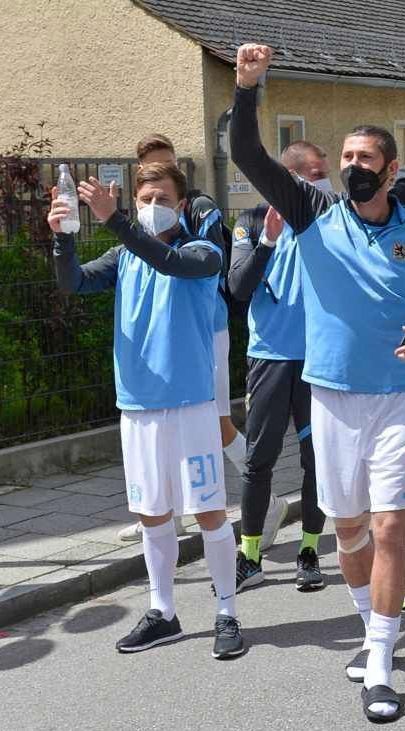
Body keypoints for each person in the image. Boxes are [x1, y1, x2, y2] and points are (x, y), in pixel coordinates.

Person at [231, 43, 405, 722]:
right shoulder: (309, 213)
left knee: (391, 530)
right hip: (330, 399)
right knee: (350, 532)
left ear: (391, 170)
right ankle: (369, 626)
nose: (354, 168)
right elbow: (247, 153)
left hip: (398, 400)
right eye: (347, 159)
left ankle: (381, 665)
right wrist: (249, 87)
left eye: (365, 160)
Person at [50, 162, 247, 660]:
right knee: (153, 514)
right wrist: (64, 237)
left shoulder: (203, 251)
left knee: (207, 512)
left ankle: (227, 611)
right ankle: (163, 612)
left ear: (182, 205)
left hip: (191, 406)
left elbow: (170, 263)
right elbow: (72, 283)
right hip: (137, 408)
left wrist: (117, 220)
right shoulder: (124, 255)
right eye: (145, 199)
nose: (152, 206)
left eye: (162, 197)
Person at [115, 135, 243, 544]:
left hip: (206, 327)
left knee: (217, 421)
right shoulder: (129, 245)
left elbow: (191, 261)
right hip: (163, 332)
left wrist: (118, 223)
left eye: (165, 167)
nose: (155, 203)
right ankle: (160, 509)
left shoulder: (200, 210)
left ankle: (263, 494)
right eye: (146, 178)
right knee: (177, 426)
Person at [225, 139, 330, 592]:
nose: (325, 180)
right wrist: (268, 240)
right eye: (317, 172)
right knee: (258, 460)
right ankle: (249, 556)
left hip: (318, 360)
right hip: (269, 358)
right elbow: (239, 286)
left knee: (317, 461)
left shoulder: (328, 219)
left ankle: (310, 551)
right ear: (293, 178)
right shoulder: (250, 221)